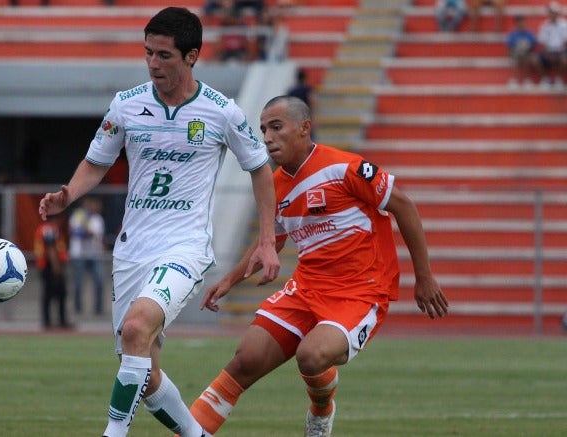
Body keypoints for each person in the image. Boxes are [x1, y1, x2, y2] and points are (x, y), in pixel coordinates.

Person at [37, 7, 280, 437]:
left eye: (164, 55)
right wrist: (67, 195)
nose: (153, 63)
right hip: (132, 249)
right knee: (143, 374)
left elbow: (260, 169)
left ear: (192, 56)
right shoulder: (127, 106)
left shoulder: (222, 112)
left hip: (184, 247)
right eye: (148, 53)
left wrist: (266, 241)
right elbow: (96, 162)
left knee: (136, 328)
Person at [185, 96, 449, 436]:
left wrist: (424, 277)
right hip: (306, 288)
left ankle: (321, 412)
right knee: (244, 360)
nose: (267, 137)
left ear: (304, 128)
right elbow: (272, 241)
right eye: (263, 129)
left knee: (311, 356)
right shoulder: (275, 185)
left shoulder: (345, 168)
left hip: (359, 292)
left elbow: (404, 206)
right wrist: (230, 280)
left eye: (276, 127)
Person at [68, 196, 106, 316]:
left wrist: (85, 226)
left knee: (99, 280)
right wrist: (84, 223)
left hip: (94, 253)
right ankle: (78, 308)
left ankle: (98, 309)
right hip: (79, 254)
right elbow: (76, 232)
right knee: (78, 282)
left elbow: (92, 234)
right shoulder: (77, 216)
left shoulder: (98, 219)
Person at [34, 214, 71, 330]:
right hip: (50, 266)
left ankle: (50, 321)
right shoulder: (49, 229)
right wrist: (56, 267)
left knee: (51, 293)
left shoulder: (43, 229)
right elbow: (51, 248)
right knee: (56, 293)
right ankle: (57, 321)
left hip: (46, 265)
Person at [537, 1, 567, 88]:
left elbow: (565, 42)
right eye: (550, 12)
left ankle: (559, 79)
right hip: (549, 52)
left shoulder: (564, 25)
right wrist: (548, 53)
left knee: (565, 59)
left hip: (561, 51)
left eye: (553, 12)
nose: (552, 14)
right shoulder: (544, 25)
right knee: (535, 59)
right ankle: (546, 79)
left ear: (557, 13)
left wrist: (559, 52)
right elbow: (543, 43)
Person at [506, 14, 541, 88]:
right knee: (515, 58)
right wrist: (512, 54)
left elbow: (533, 47)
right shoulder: (512, 35)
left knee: (529, 58)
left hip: (527, 54)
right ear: (516, 24)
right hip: (516, 54)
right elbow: (509, 48)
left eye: (523, 22)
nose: (521, 24)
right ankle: (514, 80)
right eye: (519, 22)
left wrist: (528, 52)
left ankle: (527, 79)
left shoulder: (529, 34)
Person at [286, 69, 317, 141]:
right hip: (305, 117)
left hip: (294, 118)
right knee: (309, 138)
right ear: (305, 78)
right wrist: (314, 118)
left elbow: (287, 106)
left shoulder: (291, 91)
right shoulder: (307, 89)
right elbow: (312, 102)